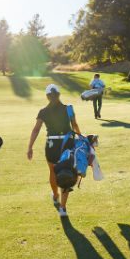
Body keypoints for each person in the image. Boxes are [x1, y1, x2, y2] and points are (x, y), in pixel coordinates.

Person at [27, 84, 81, 217]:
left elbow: (36, 129)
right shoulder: (68, 108)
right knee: (66, 171)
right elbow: (74, 125)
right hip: (67, 143)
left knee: (53, 171)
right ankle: (63, 208)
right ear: (59, 94)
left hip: (51, 144)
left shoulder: (43, 111)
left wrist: (30, 147)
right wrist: (81, 137)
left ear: (47, 96)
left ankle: (56, 195)